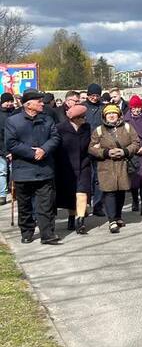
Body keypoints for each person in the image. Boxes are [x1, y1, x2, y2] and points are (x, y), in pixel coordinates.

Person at [4, 90, 61, 244]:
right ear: (29, 105)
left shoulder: (47, 120)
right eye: (39, 101)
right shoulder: (13, 121)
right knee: (25, 204)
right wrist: (31, 153)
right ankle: (27, 232)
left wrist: (44, 149)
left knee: (46, 204)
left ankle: (47, 234)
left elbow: (55, 137)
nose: (43, 103)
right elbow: (11, 143)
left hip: (44, 169)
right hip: (23, 170)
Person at [89, 103, 140, 234]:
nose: (111, 115)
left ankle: (118, 216)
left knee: (121, 192)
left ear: (119, 115)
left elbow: (136, 143)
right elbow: (91, 148)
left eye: (114, 113)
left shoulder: (127, 127)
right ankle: (112, 220)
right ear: (105, 116)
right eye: (109, 114)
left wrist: (125, 151)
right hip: (106, 166)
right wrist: (106, 153)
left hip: (123, 165)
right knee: (109, 192)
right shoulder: (99, 130)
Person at [55, 104, 92, 234]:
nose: (85, 119)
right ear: (74, 118)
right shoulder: (60, 129)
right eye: (82, 117)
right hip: (67, 166)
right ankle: (71, 216)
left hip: (84, 165)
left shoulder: (87, 128)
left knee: (82, 193)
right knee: (71, 194)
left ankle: (80, 221)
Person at [84, 83, 105, 216]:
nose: (94, 98)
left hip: (99, 147)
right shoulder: (82, 107)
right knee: (87, 177)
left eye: (97, 95)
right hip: (84, 147)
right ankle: (85, 205)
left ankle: (98, 205)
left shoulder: (103, 108)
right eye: (92, 95)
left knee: (98, 177)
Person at [0, 91, 17, 205]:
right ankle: (2, 194)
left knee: (14, 171)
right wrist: (5, 152)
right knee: (2, 172)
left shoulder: (15, 113)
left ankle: (15, 192)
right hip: (1, 148)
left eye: (11, 101)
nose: (9, 104)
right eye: (7, 101)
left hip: (14, 148)